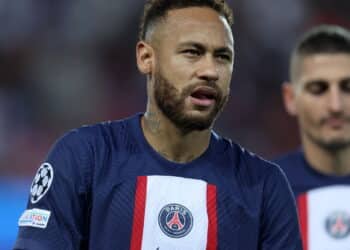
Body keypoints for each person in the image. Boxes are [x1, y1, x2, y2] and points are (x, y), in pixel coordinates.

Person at [14, 1, 302, 249]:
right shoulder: (84, 159)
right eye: (192, 52)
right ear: (146, 57)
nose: (210, 71)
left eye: (223, 56)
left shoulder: (264, 186)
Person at [275, 24, 350, 250]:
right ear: (290, 98)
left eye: (348, 87)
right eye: (318, 89)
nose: (335, 105)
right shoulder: (263, 192)